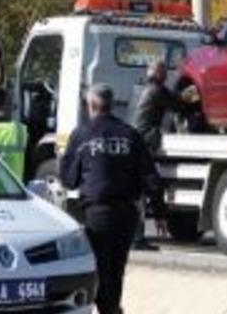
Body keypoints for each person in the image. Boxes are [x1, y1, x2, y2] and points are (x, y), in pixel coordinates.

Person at [61, 84, 168, 314]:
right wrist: (159, 213)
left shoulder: (81, 134)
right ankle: (112, 309)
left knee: (98, 269)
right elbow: (151, 177)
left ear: (90, 105)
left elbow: (68, 180)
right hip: (126, 215)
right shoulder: (131, 135)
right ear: (111, 105)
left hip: (96, 214)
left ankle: (109, 309)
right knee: (116, 270)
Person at [130, 60, 195, 251]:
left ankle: (134, 236)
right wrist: (192, 101)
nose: (167, 76)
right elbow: (179, 105)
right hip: (143, 144)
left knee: (136, 191)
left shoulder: (138, 87)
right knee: (147, 187)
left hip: (132, 141)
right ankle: (137, 238)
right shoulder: (157, 90)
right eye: (165, 72)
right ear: (159, 74)